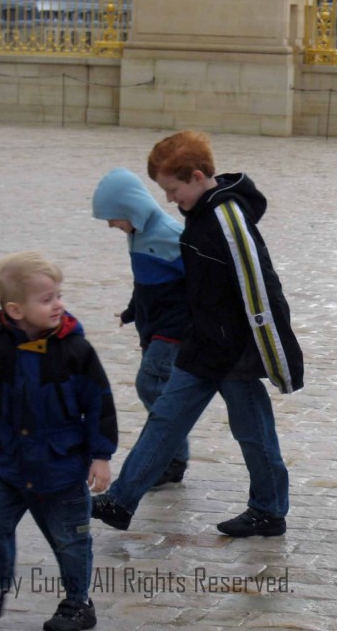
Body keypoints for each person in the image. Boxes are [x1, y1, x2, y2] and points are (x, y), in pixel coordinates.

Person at [92, 130, 303, 538]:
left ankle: (269, 509)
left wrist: (275, 355)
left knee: (253, 431)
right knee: (166, 420)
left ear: (197, 176)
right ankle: (121, 501)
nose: (170, 200)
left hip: (234, 351)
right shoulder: (201, 214)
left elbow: (259, 286)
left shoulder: (226, 218)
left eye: (173, 189)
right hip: (203, 343)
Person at [0, 251, 118, 631]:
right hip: (8, 462)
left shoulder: (76, 352)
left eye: (59, 295)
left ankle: (77, 604)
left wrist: (100, 456)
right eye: (46, 299)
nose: (58, 305)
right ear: (15, 310)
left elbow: (99, 404)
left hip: (62, 466)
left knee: (71, 540)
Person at [91, 167, 191, 487]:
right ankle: (172, 459)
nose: (110, 225)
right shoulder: (137, 236)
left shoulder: (170, 235)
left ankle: (171, 460)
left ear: (132, 210)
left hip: (173, 331)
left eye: (114, 217)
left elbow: (199, 282)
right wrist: (132, 311)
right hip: (153, 327)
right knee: (161, 393)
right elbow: (145, 283)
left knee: (151, 387)